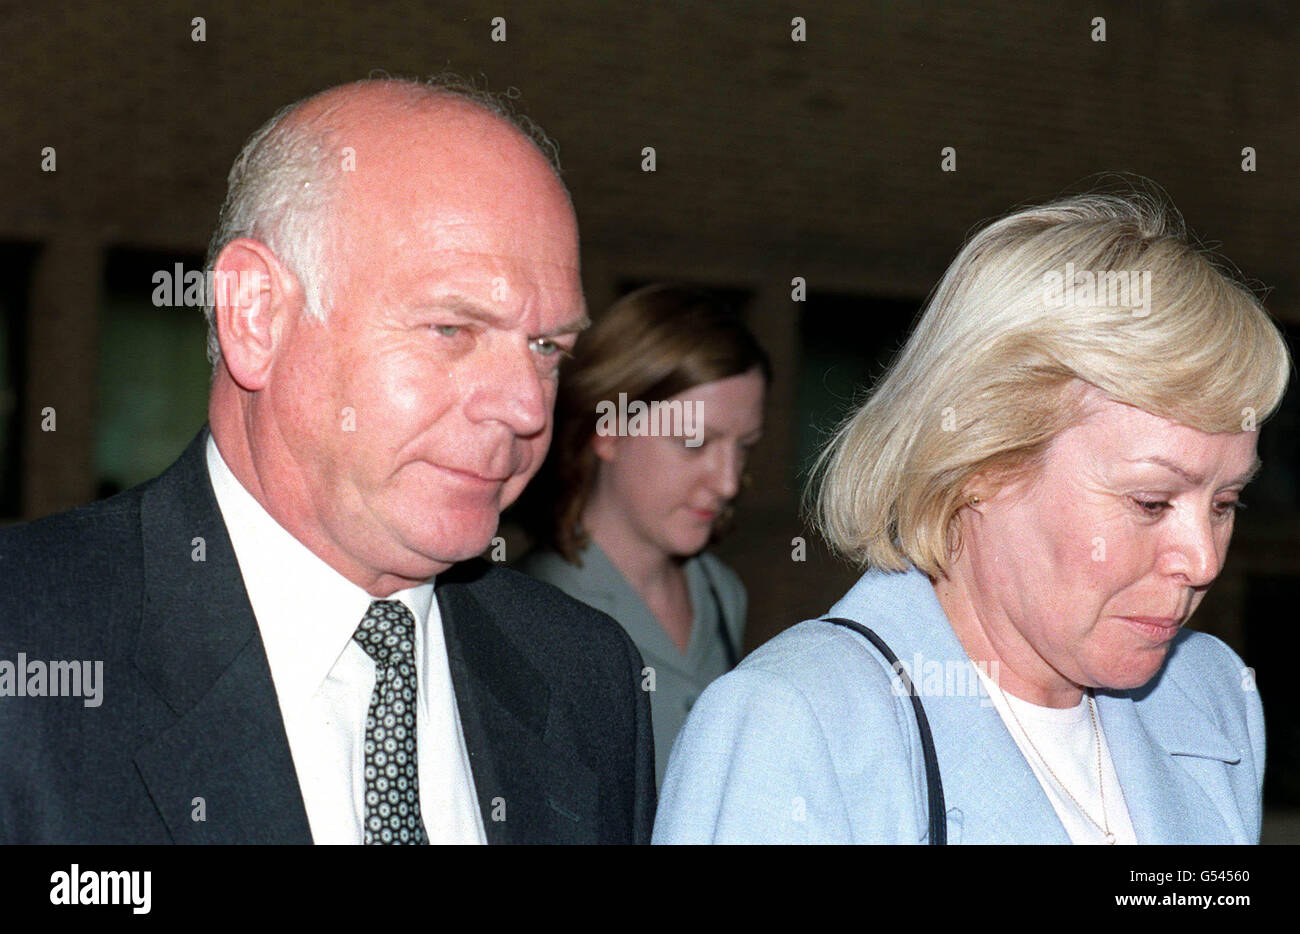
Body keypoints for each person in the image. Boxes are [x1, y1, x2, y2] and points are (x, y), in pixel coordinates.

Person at [0, 78, 656, 844]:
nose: (526, 408)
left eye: (547, 348)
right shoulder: (29, 648)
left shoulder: (585, 676)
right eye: (452, 328)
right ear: (256, 315)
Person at [653, 191, 1291, 844]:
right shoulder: (794, 728)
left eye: (1224, 503)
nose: (1204, 559)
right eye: (1151, 502)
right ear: (979, 464)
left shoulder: (1211, 694)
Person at [516, 284, 768, 786]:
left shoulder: (720, 593)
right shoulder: (536, 609)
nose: (727, 482)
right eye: (694, 442)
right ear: (607, 429)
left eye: (744, 448)